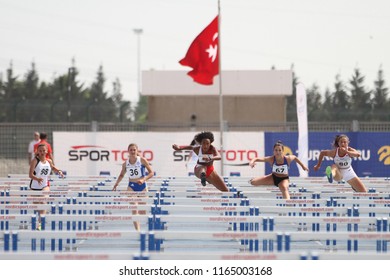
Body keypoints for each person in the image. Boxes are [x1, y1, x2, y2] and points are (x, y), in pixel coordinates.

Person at [112, 143, 154, 231]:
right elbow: (121, 175)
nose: (132, 151)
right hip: (131, 187)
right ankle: (138, 232)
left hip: (142, 186)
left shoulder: (142, 160)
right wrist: (116, 184)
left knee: (142, 212)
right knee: (134, 209)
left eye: (134, 150)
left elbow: (151, 173)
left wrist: (143, 179)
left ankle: (149, 227)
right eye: (131, 150)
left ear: (137, 151)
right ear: (128, 151)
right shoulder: (125, 164)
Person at [29, 143, 64, 230]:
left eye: (44, 150)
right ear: (37, 152)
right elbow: (30, 175)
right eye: (40, 151)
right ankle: (42, 215)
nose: (42, 152)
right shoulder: (35, 161)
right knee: (37, 206)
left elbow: (53, 168)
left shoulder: (49, 161)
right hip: (34, 187)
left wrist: (59, 171)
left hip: (45, 185)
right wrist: (37, 179)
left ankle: (40, 223)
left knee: (43, 202)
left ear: (47, 151)